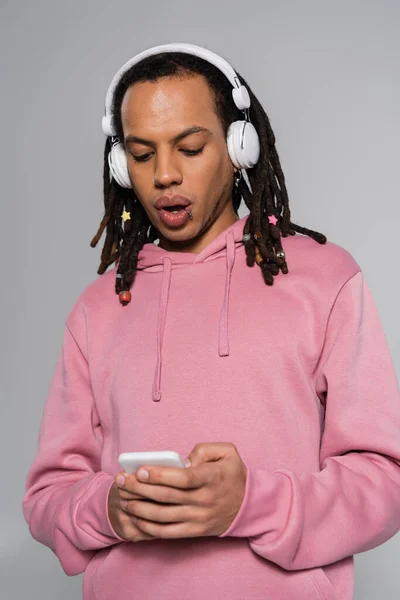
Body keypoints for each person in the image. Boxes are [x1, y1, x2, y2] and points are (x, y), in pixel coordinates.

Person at [22, 43, 400, 600]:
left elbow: (384, 481)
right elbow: (47, 496)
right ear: (121, 166)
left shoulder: (324, 279)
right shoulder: (98, 308)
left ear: (238, 146)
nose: (165, 175)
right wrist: (107, 510)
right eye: (142, 155)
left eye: (190, 147)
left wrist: (250, 502)